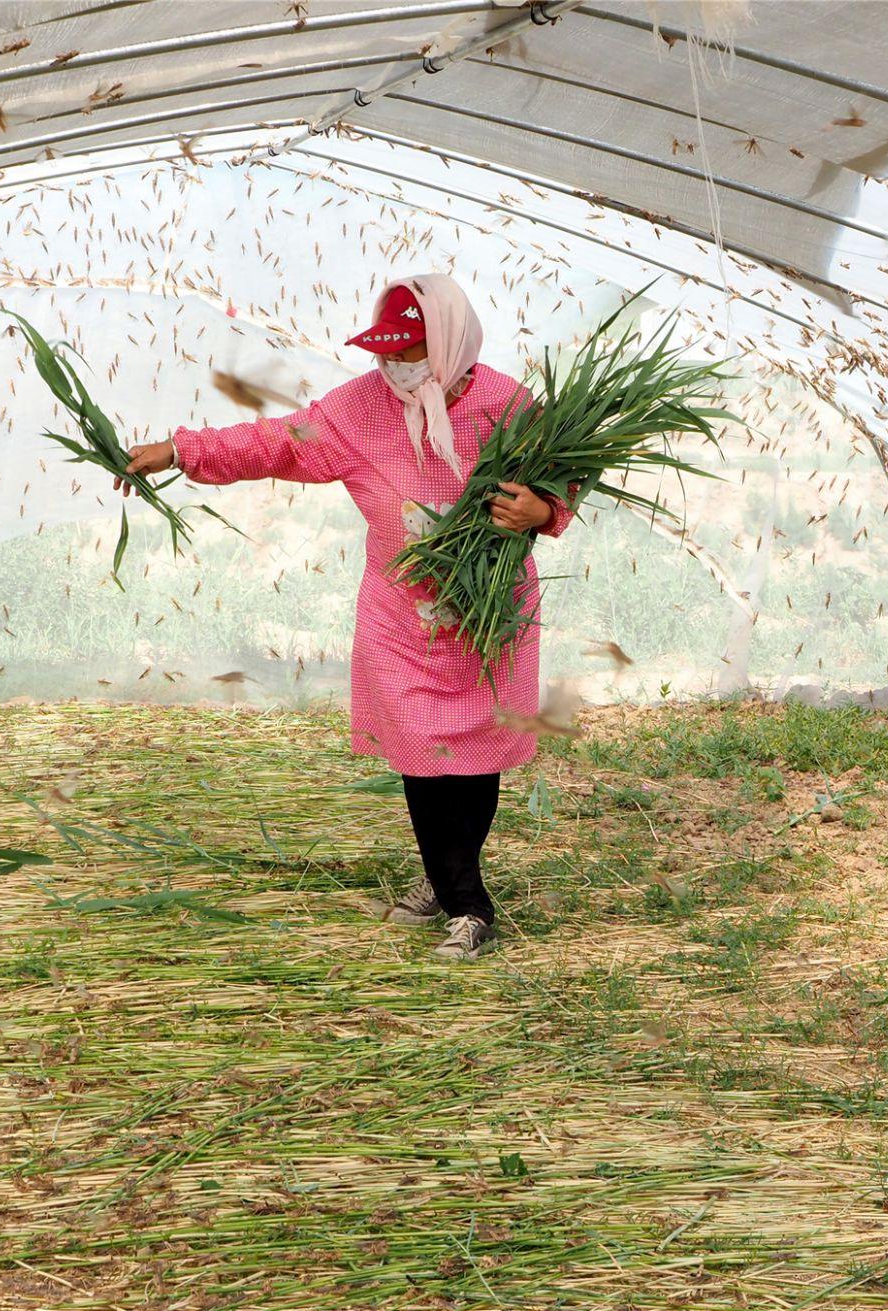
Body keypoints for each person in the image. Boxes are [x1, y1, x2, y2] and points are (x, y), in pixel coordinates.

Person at [116, 274, 574, 959]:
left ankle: (447, 881)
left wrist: (542, 511)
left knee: (475, 754)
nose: (395, 368)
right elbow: (278, 441)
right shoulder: (361, 409)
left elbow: (565, 472)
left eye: (411, 353)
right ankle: (467, 902)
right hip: (403, 617)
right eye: (385, 355)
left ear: (449, 344)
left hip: (486, 616)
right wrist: (182, 450)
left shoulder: (507, 404)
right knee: (421, 750)